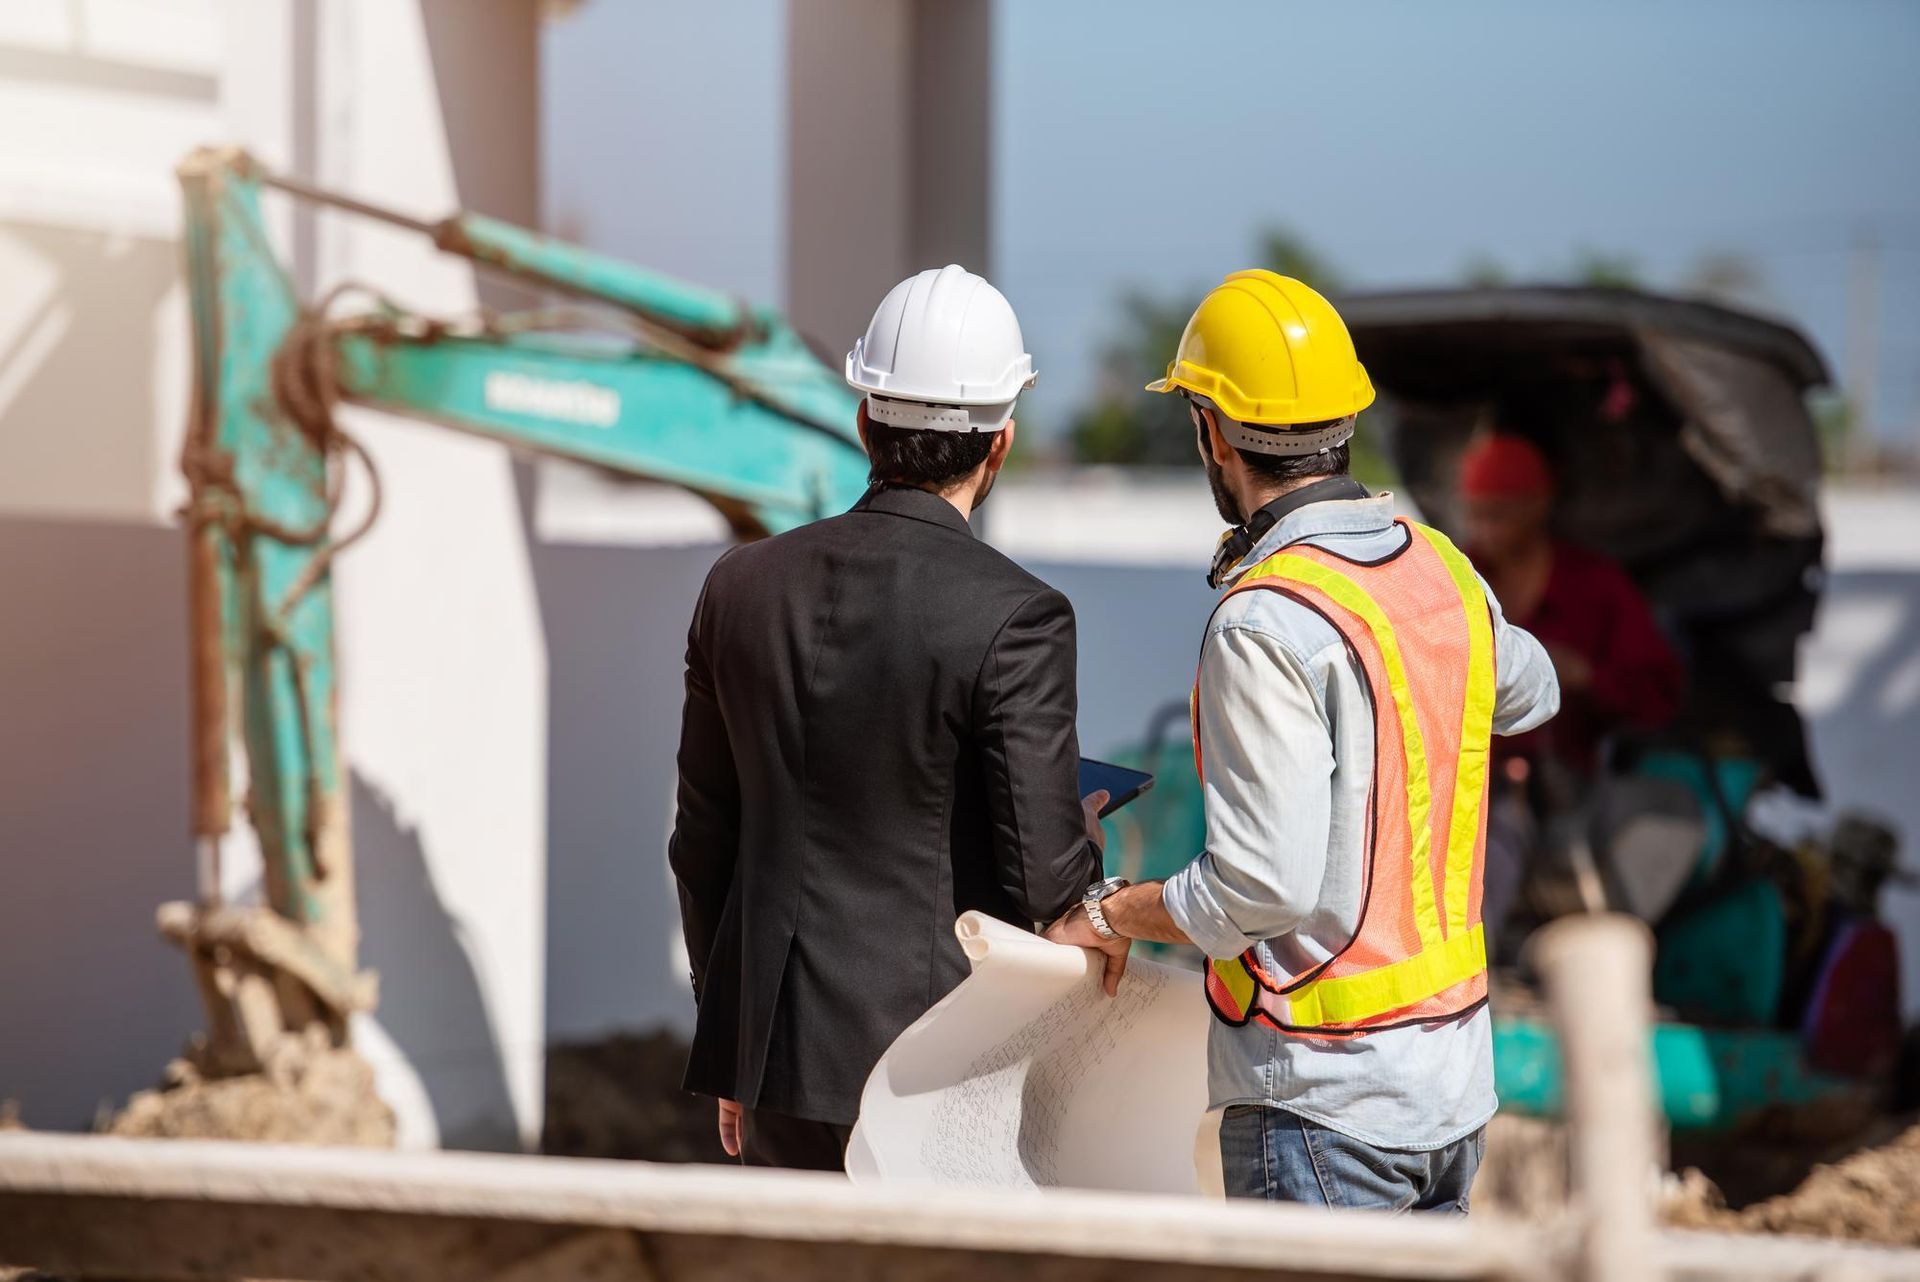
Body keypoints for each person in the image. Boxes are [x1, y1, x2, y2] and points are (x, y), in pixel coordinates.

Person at [1046, 270, 1560, 1212]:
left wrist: (1115, 911)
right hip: (1450, 1097)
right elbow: (1533, 687)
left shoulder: (1267, 619)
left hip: (1327, 1110)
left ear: (1212, 432)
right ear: (1344, 423)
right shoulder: (1438, 565)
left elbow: (1260, 888)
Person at [669, 265, 1108, 1172]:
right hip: (934, 1068)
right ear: (1002, 443)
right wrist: (1083, 832)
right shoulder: (1019, 615)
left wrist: (732, 1038)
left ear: (864, 420)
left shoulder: (738, 589)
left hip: (774, 1058)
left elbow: (702, 838)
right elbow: (1045, 883)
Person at [1457, 432, 1684, 935]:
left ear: (1538, 505)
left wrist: (1585, 676)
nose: (1483, 529)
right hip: (1466, 784)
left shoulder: (1595, 587)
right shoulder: (1459, 577)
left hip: (1568, 795)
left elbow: (1660, 693)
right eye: (1475, 514)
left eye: (1498, 514)